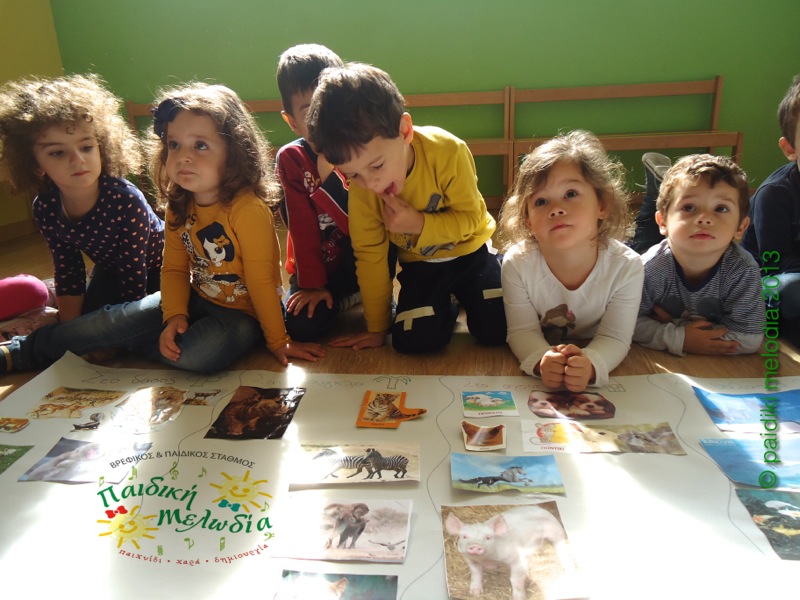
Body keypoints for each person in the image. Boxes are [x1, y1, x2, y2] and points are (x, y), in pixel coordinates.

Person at [1, 82, 324, 375]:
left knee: (201, 355)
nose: (183, 157)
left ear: (233, 152)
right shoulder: (179, 203)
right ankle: (18, 352)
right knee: (112, 319)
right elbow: (174, 269)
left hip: (243, 315)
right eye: (174, 145)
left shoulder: (247, 209)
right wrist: (175, 315)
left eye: (200, 145)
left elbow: (262, 282)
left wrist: (278, 340)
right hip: (197, 296)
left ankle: (119, 341)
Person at [306, 63, 506, 353]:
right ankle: (447, 302)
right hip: (421, 265)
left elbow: (472, 220)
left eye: (377, 166)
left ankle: (493, 271)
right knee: (414, 341)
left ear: (404, 131)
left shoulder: (448, 151)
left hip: (472, 253)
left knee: (498, 328)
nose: (371, 183)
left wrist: (419, 225)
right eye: (353, 175)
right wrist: (377, 327)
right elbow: (370, 256)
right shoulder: (362, 191)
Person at [0, 74, 164, 321]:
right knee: (85, 318)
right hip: (110, 269)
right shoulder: (45, 207)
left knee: (145, 319)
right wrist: (69, 326)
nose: (78, 160)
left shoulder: (126, 200)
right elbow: (68, 268)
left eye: (86, 147)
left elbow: (133, 273)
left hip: (162, 268)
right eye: (57, 152)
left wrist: (123, 328)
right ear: (35, 164)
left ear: (102, 148)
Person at [499, 130, 643, 392]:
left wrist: (592, 364)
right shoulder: (517, 263)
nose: (556, 208)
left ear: (602, 204)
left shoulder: (627, 267)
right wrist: (541, 359)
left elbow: (615, 337)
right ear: (527, 220)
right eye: (541, 201)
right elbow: (522, 331)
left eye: (571, 193)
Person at [634, 154, 764, 355]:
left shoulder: (743, 270)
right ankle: (655, 184)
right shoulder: (649, 268)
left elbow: (749, 338)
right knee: (639, 243)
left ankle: (657, 182)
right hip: (654, 250)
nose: (704, 218)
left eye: (720, 208)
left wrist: (678, 329)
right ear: (663, 221)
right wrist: (679, 337)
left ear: (741, 227)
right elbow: (624, 323)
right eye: (689, 207)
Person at [274, 43, 359, 341]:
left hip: (362, 262)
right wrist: (312, 286)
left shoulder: (362, 150)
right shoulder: (291, 159)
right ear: (291, 121)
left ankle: (359, 295)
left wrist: (332, 180)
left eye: (330, 106)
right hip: (315, 267)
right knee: (301, 326)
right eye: (310, 111)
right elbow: (301, 228)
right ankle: (343, 300)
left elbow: (364, 226)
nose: (323, 121)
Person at [741, 75, 800, 347]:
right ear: (790, 149)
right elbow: (774, 263)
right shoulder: (775, 194)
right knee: (793, 290)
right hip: (770, 280)